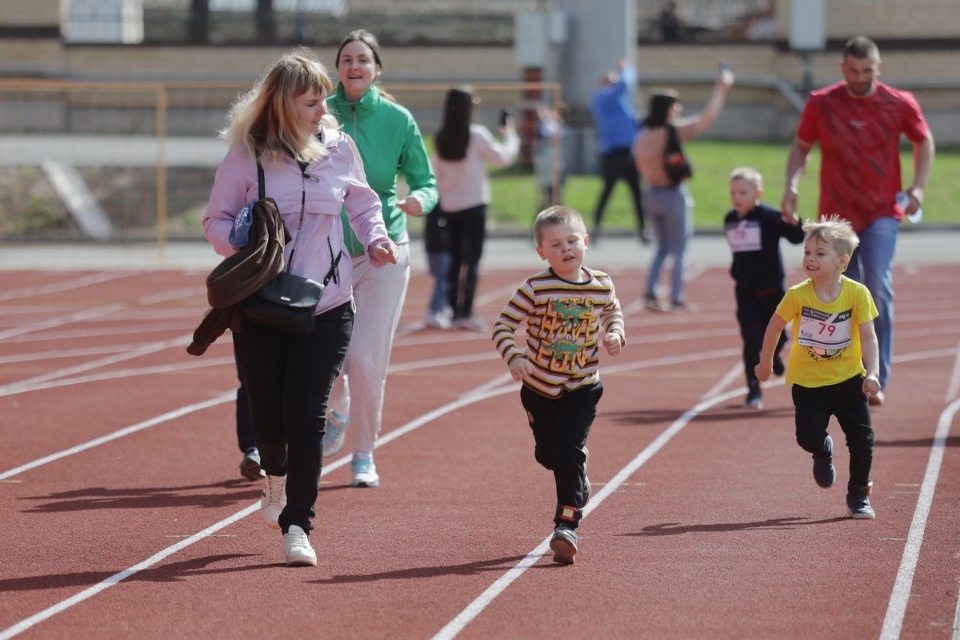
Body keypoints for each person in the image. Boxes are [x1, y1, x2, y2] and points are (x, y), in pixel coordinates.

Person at [203, 49, 397, 566]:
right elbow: (214, 222)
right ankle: (275, 478)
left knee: (307, 414)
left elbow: (362, 201)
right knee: (269, 418)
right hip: (263, 303)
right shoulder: (247, 155)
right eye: (311, 103)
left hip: (328, 300)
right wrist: (240, 238)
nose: (322, 110)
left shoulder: (338, 147)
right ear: (284, 106)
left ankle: (299, 526)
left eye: (322, 101)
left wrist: (376, 239)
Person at [781, 36, 935, 408]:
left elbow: (924, 140)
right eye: (853, 71)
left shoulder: (898, 103)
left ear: (878, 68)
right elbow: (801, 146)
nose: (860, 77)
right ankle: (846, 374)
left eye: (867, 71)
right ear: (842, 68)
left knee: (877, 289)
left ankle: (875, 376)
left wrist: (918, 187)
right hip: (836, 218)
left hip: (882, 210)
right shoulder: (823, 103)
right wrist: (791, 188)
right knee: (845, 292)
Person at [321, 30, 439, 487]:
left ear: (376, 70)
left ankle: (363, 455)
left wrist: (419, 203)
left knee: (366, 360)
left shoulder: (397, 119)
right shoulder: (318, 113)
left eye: (363, 60)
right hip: (324, 254)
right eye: (346, 59)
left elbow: (426, 181)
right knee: (326, 357)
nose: (354, 66)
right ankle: (336, 408)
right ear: (338, 68)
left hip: (383, 252)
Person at [491, 206, 626, 564]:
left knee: (567, 451)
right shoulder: (535, 287)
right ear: (542, 252)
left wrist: (615, 333)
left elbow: (613, 311)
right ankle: (576, 469)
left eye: (572, 241)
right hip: (539, 388)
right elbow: (502, 326)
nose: (566, 249)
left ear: (585, 241)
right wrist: (515, 357)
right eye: (555, 244)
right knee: (548, 456)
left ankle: (566, 526)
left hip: (583, 386)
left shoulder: (601, 283)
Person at [755, 216, 880, 519]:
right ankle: (822, 449)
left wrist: (873, 372)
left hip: (849, 380)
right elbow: (774, 327)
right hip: (809, 384)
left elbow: (868, 336)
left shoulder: (856, 294)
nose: (810, 259)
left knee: (863, 441)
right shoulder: (798, 294)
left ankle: (858, 495)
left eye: (820, 253)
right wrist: (765, 362)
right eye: (807, 252)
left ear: (842, 261)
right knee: (806, 437)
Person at [634, 65, 734, 312]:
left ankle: (651, 292)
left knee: (661, 248)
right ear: (667, 108)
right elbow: (707, 118)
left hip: (652, 193)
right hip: (672, 193)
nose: (678, 109)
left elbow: (639, 166)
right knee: (680, 249)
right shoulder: (672, 132)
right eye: (675, 105)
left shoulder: (642, 135)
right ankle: (676, 297)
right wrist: (721, 89)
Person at [432, 86, 519, 331]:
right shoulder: (477, 134)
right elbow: (504, 158)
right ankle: (465, 312)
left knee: (455, 259)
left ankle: (451, 309)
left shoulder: (441, 137)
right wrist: (511, 135)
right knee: (472, 260)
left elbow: (436, 172)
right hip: (474, 206)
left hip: (450, 206)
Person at [723, 166, 805, 409]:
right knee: (751, 339)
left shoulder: (769, 217)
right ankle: (753, 389)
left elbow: (795, 237)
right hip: (746, 291)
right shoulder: (730, 219)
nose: (737, 197)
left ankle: (776, 355)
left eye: (743, 192)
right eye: (733, 192)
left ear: (757, 193)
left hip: (773, 291)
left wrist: (794, 219)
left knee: (777, 337)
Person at [590, 59, 648, 243]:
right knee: (607, 191)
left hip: (629, 152)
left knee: (637, 192)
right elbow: (624, 84)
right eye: (611, 82)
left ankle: (642, 229)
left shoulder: (623, 104)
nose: (615, 85)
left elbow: (634, 125)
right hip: (613, 154)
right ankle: (596, 229)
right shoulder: (601, 98)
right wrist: (627, 68)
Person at [533, 104, 567, 210]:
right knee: (546, 189)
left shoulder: (558, 125)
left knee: (555, 189)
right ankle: (545, 209)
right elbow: (546, 137)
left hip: (554, 160)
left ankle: (556, 209)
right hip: (546, 160)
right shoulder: (544, 125)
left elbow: (556, 138)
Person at [423, 205, 451, 329]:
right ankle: (435, 312)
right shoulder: (440, 205)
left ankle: (442, 308)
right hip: (439, 248)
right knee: (442, 280)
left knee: (442, 280)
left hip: (434, 247)